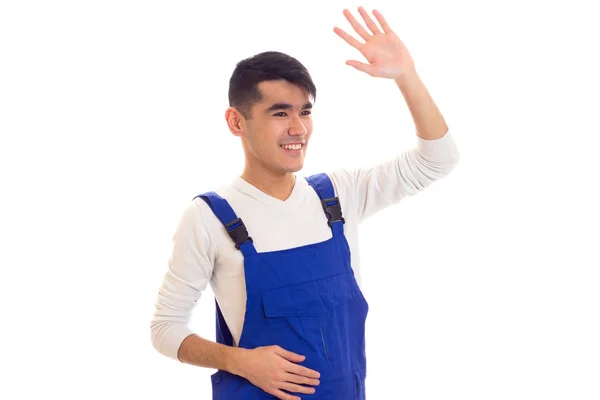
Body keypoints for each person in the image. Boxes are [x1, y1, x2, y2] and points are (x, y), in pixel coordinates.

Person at [150, 6, 459, 400]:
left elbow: (439, 160)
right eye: (280, 113)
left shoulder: (338, 197)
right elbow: (165, 328)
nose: (298, 128)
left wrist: (406, 76)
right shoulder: (208, 218)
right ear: (236, 122)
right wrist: (240, 361)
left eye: (305, 111)